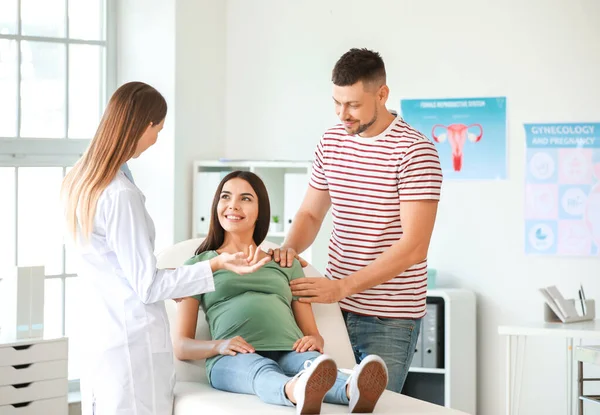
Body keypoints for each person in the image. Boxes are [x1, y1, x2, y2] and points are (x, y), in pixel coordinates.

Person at [61, 82, 270, 415]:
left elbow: (120, 268)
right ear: (144, 125)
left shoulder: (80, 179)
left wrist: (179, 276)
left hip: (104, 336)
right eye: (157, 129)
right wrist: (216, 266)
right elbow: (147, 287)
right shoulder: (119, 194)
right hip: (131, 342)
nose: (156, 138)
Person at [270, 48, 443, 393]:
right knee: (330, 400)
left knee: (374, 405)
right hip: (333, 309)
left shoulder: (415, 151)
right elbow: (310, 212)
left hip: (389, 319)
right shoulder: (332, 141)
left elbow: (413, 247)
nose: (342, 114)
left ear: (382, 94)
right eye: (336, 102)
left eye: (352, 105)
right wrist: (288, 249)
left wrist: (342, 286)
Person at [173, 170, 388, 414]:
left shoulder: (285, 263)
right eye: (225, 197)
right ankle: (295, 391)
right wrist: (219, 346)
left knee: (314, 365)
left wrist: (314, 340)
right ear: (216, 205)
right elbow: (181, 345)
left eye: (245, 198)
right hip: (232, 359)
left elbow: (312, 333)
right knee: (260, 369)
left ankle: (353, 390)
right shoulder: (200, 266)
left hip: (290, 350)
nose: (233, 205)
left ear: (260, 211)